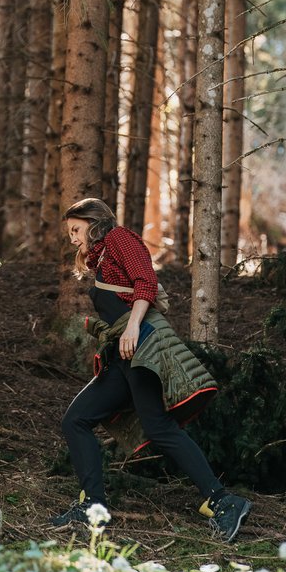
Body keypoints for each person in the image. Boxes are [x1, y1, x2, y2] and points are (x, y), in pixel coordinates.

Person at [51, 197, 252, 544]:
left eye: (76, 229)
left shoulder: (119, 239)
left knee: (159, 427)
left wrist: (131, 328)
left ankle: (222, 501)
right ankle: (93, 507)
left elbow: (145, 281)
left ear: (94, 222)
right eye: (69, 232)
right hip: (126, 352)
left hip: (143, 344)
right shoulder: (100, 258)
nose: (72, 238)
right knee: (77, 419)